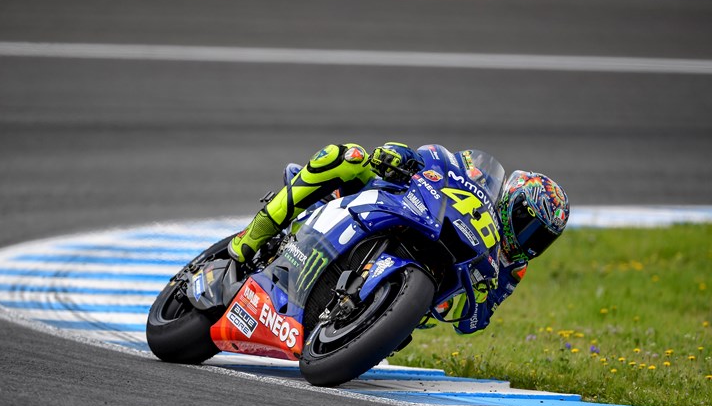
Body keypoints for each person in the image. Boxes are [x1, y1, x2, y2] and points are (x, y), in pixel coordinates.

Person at [227, 142, 569, 334]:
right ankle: (254, 235)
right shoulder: (478, 177)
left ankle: (358, 320)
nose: (530, 239)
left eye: (541, 237)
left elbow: (472, 324)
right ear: (511, 200)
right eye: (527, 222)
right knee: (347, 157)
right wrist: (401, 156)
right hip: (405, 206)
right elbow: (435, 159)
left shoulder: (512, 268)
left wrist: (473, 299)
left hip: (406, 299)